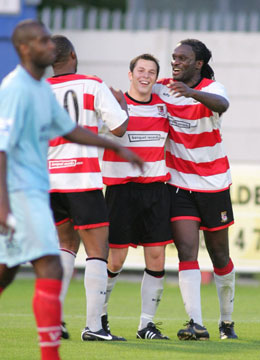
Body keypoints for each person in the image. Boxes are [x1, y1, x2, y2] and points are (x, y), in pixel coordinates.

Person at [0, 19, 143, 360]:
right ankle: (87, 330)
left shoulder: (39, 87)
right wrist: (3, 206)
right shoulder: (16, 88)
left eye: (50, 41)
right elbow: (2, 149)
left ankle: (56, 342)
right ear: (24, 48)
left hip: (44, 187)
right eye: (41, 41)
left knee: (26, 265)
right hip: (31, 191)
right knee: (70, 258)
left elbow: (69, 129)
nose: (49, 46)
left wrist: (119, 149)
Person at [153, 38, 238, 340]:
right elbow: (140, 96)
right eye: (174, 57)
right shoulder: (162, 87)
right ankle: (196, 323)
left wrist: (192, 93)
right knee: (187, 251)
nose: (175, 62)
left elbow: (223, 105)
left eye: (183, 58)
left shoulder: (212, 89)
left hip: (214, 184)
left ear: (198, 64)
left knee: (219, 256)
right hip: (179, 184)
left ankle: (226, 323)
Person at [47, 35, 129, 341]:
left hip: (51, 182)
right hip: (82, 180)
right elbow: (120, 128)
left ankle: (54, 322)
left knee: (64, 248)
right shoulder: (92, 85)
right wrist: (121, 105)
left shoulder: (40, 91)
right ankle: (94, 327)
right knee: (97, 251)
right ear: (72, 54)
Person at [101, 54, 173, 340]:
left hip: (156, 190)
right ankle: (98, 319)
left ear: (156, 77)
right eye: (140, 70)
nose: (146, 76)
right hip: (121, 190)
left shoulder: (163, 108)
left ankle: (146, 325)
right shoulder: (114, 107)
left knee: (156, 258)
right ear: (130, 74)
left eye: (151, 72)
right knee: (114, 260)